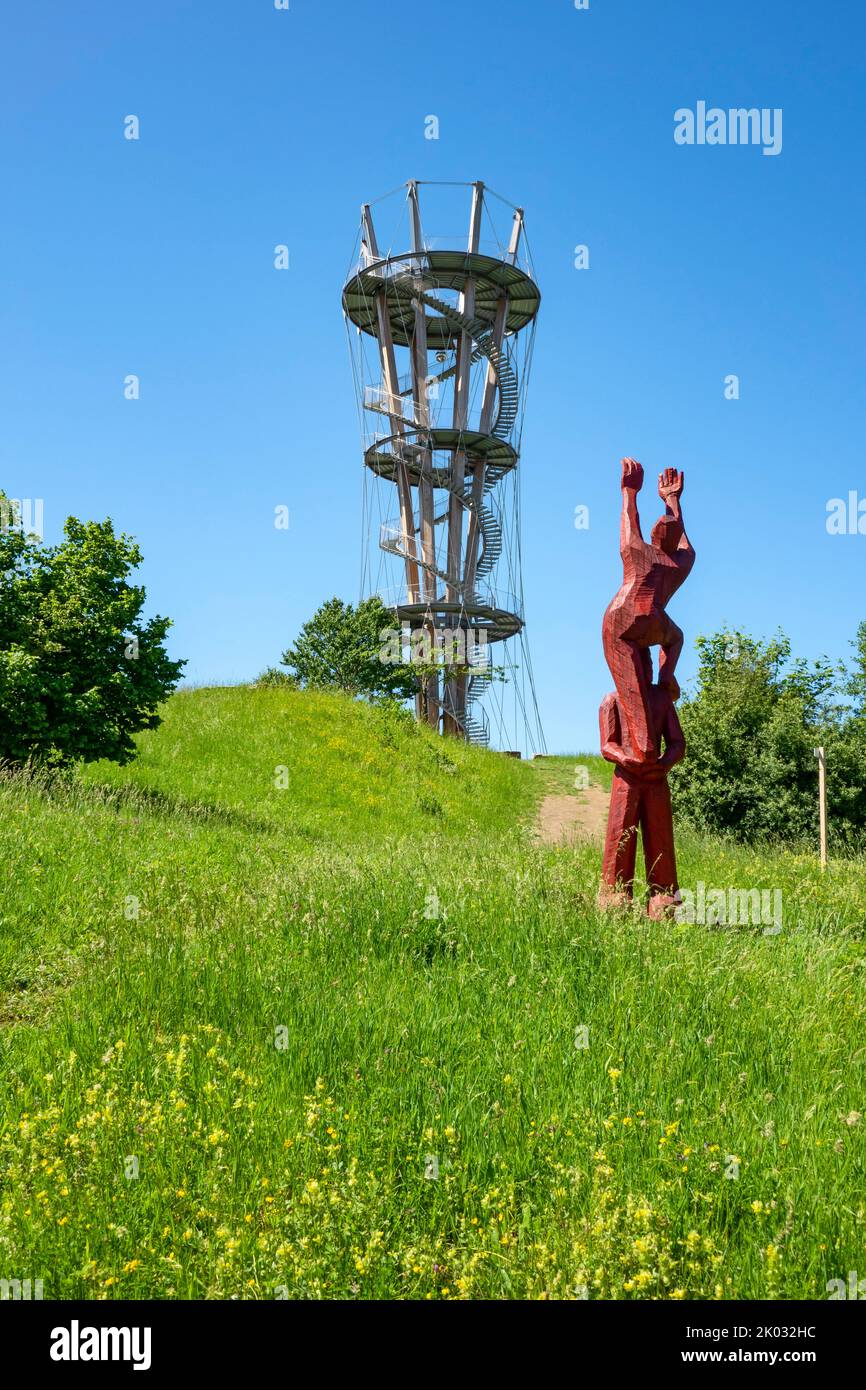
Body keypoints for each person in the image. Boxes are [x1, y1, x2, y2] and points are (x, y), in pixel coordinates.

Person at [602, 459, 695, 763]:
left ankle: (645, 745)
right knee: (676, 638)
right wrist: (672, 502)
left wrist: (629, 492)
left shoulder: (642, 552)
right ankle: (666, 679)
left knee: (638, 715)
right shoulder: (677, 566)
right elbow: (687, 547)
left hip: (623, 619)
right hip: (650, 621)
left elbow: (629, 525)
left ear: (654, 538)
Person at [598, 682, 685, 917]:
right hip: (626, 781)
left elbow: (677, 742)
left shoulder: (661, 700)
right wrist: (626, 759)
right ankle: (614, 891)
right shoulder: (612, 699)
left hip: (656, 779)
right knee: (620, 835)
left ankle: (664, 892)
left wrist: (664, 764)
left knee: (660, 835)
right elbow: (607, 744)